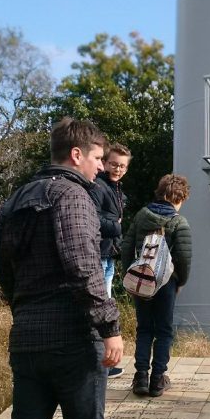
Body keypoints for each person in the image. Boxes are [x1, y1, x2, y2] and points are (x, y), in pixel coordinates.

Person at [0, 117, 123, 419]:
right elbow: (83, 265)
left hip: (27, 337)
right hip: (73, 340)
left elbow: (5, 270)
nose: (101, 167)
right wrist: (109, 326)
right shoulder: (74, 196)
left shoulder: (15, 199)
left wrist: (24, 310)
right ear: (76, 154)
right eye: (97, 158)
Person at [120, 174, 193, 397]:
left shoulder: (142, 215)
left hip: (141, 280)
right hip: (165, 283)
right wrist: (180, 281)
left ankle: (141, 376)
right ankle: (158, 379)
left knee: (144, 328)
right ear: (180, 198)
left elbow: (126, 247)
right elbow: (184, 257)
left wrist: (129, 275)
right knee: (163, 330)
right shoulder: (178, 222)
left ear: (159, 193)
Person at [90, 143, 131, 379]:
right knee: (101, 309)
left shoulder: (116, 188)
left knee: (105, 304)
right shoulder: (99, 185)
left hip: (109, 253)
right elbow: (92, 217)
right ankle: (102, 364)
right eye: (114, 164)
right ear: (105, 163)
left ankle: (104, 362)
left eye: (122, 166)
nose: (117, 169)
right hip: (99, 253)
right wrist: (117, 226)